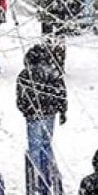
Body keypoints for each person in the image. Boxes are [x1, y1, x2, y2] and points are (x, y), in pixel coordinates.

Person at [16, 43, 67, 180]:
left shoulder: (25, 74)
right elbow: (61, 93)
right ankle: (51, 173)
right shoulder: (54, 73)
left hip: (33, 115)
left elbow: (20, 97)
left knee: (34, 146)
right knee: (46, 144)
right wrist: (62, 111)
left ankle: (36, 174)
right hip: (50, 113)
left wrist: (26, 110)